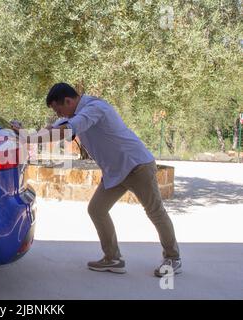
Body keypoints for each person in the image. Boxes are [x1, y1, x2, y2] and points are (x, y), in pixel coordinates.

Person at [12, 83, 181, 277]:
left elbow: (65, 130)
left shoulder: (94, 108)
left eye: (60, 110)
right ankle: (113, 258)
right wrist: (24, 135)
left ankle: (173, 258)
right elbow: (51, 131)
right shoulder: (73, 116)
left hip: (136, 166)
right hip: (115, 173)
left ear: (68, 101)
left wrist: (28, 137)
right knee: (97, 210)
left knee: (155, 211)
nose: (61, 115)